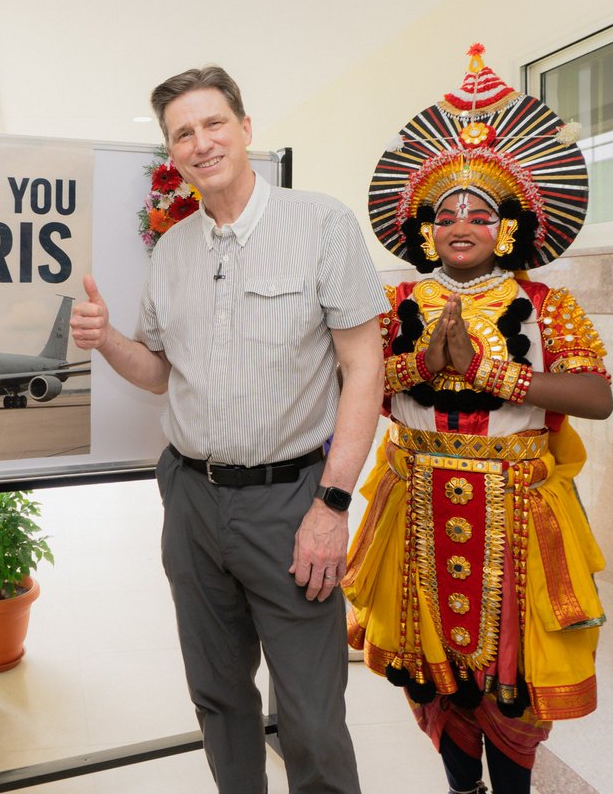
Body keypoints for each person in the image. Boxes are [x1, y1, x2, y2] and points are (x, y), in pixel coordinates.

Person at [71, 65, 387, 794]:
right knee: (217, 698)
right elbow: (157, 373)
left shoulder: (322, 225)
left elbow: (363, 370)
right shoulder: (175, 248)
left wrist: (333, 507)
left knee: (310, 714)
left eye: (214, 124)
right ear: (171, 152)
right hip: (191, 499)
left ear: (246, 129)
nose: (201, 142)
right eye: (183, 133)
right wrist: (108, 338)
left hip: (292, 502)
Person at [343, 45, 612, 794]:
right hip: (416, 502)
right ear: (426, 229)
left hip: (520, 509)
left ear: (510, 227)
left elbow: (597, 397)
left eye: (481, 212)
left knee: (513, 677)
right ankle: (461, 787)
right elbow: (354, 386)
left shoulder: (550, 306)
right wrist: (426, 367)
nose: (463, 221)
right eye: (448, 211)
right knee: (431, 675)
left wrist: (492, 371)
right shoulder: (393, 306)